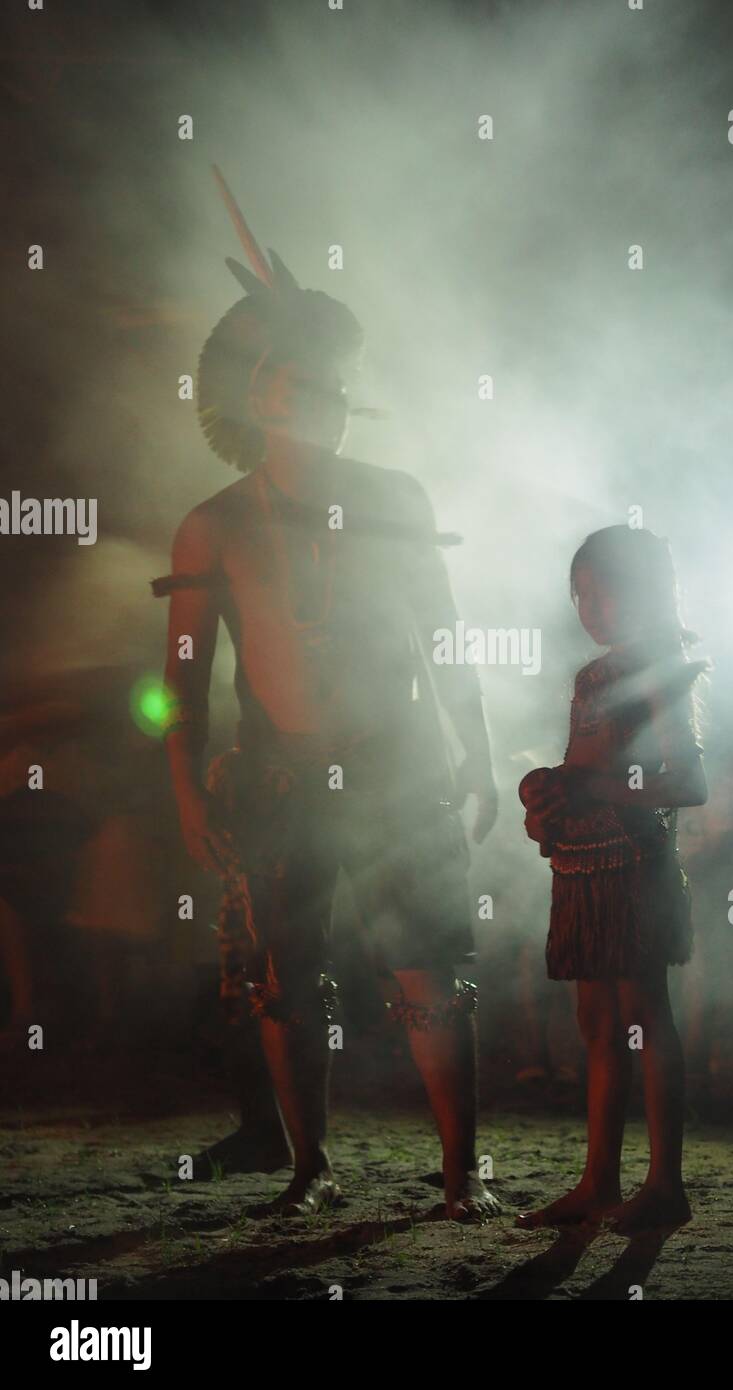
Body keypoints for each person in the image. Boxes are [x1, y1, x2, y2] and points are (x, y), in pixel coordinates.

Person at [154, 170, 499, 1218]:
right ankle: (308, 1169)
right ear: (262, 398)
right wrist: (187, 788)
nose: (330, 406)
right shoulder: (213, 524)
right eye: (306, 386)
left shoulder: (394, 499)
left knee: (428, 973)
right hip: (279, 777)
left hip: (398, 772)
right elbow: (178, 681)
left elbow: (444, 639)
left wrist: (473, 752)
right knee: (284, 978)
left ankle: (458, 1172)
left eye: (340, 389)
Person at [517, 525, 708, 1232]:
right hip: (582, 867)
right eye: (580, 592)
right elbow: (584, 774)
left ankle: (664, 1186)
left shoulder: (661, 666)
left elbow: (686, 780)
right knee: (597, 1023)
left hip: (633, 867)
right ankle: (598, 1181)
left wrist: (590, 788)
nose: (591, 605)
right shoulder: (591, 676)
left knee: (642, 1020)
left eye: (607, 589)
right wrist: (548, 804)